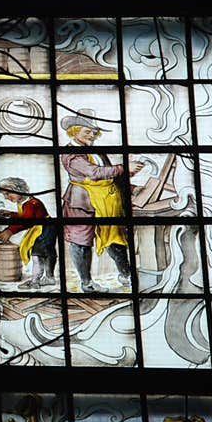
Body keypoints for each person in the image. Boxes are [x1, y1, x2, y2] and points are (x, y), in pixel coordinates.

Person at [60, 110, 143, 293]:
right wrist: (124, 168)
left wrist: (131, 188)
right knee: (81, 242)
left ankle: (126, 275)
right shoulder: (71, 154)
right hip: (80, 203)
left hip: (107, 202)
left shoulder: (96, 150)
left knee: (115, 238)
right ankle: (87, 284)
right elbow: (95, 173)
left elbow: (110, 175)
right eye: (87, 132)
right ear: (74, 132)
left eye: (93, 132)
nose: (91, 135)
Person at [0, 177, 57, 289]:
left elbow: (26, 221)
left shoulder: (31, 203)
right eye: (4, 194)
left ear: (19, 189)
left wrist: (10, 230)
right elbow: (25, 216)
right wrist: (11, 214)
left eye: (7, 193)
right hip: (45, 228)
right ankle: (48, 278)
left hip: (44, 230)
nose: (6, 197)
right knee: (45, 254)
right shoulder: (25, 201)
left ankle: (35, 281)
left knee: (37, 256)